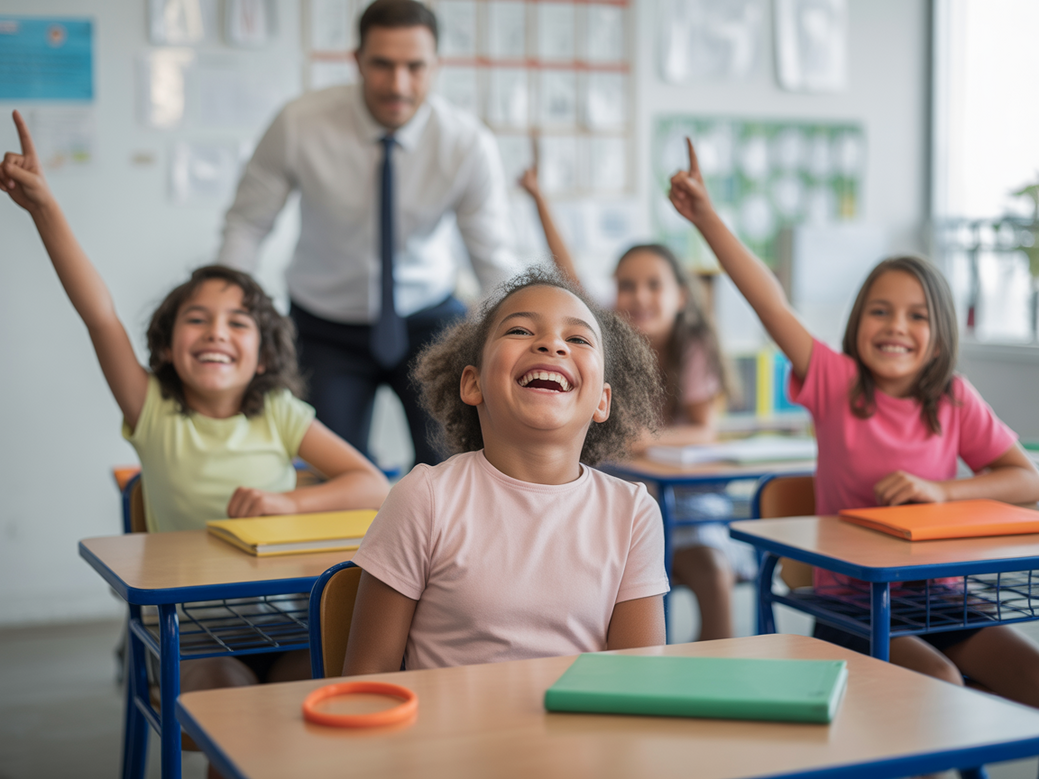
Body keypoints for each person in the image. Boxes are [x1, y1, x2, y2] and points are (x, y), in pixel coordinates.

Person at [0, 109, 391, 774]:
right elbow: (98, 313)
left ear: (263, 354)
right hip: (197, 633)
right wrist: (44, 210)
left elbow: (371, 484)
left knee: (326, 707)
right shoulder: (153, 410)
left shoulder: (281, 413)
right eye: (197, 319)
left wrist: (289, 504)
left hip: (288, 621)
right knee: (234, 729)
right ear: (166, 344)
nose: (216, 331)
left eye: (238, 322)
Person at [668, 137, 1039, 706]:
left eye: (917, 316)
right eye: (880, 311)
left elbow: (1025, 479)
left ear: (940, 337)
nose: (896, 326)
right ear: (856, 322)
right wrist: (707, 219)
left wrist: (943, 492)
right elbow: (770, 304)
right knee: (935, 688)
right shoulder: (835, 382)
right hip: (853, 603)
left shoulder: (953, 398)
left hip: (943, 599)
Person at [216, 0, 516, 467]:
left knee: (453, 467)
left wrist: (513, 338)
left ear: (436, 67)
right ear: (356, 60)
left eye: (415, 67)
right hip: (324, 322)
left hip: (428, 320)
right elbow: (248, 223)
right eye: (382, 64)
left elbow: (493, 258)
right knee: (333, 474)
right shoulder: (299, 124)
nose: (397, 84)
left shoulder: (466, 143)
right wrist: (225, 309)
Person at [341, 267, 671, 673]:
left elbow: (636, 682)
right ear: (472, 384)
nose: (552, 344)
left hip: (581, 736)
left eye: (578, 339)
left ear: (603, 402)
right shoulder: (423, 498)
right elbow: (368, 677)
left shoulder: (633, 513)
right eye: (519, 331)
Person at [519, 166, 750, 642]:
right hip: (620, 503)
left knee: (713, 573)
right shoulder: (609, 342)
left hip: (691, 509)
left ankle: (717, 676)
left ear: (681, 296)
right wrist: (539, 196)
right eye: (626, 286)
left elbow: (706, 428)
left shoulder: (694, 346)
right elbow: (569, 277)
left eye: (652, 285)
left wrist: (650, 440)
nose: (638, 297)